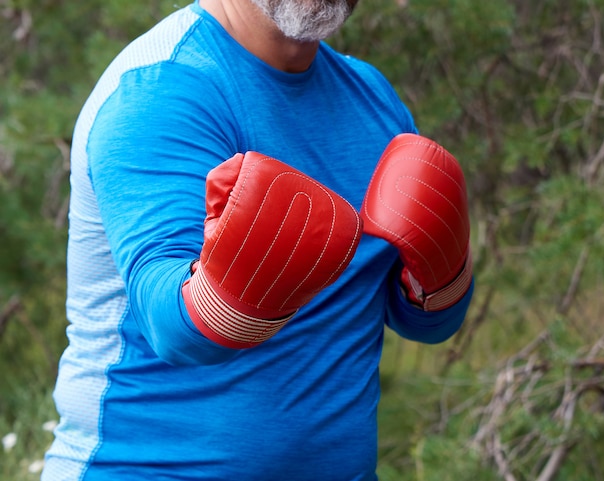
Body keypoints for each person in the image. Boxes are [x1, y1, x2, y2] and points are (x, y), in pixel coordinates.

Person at [42, 0, 475, 479]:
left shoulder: (371, 99)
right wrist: (237, 284)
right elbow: (173, 326)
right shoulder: (159, 90)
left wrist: (442, 277)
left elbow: (425, 323)